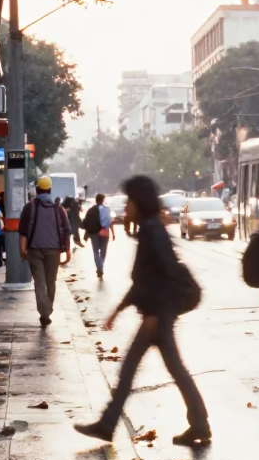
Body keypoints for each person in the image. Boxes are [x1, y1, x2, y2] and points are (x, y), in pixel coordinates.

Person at [75, 175, 210, 445]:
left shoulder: (152, 231)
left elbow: (167, 274)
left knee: (137, 371)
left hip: (156, 317)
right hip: (156, 315)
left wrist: (156, 315)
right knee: (169, 370)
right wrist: (119, 309)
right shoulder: (149, 229)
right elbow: (143, 279)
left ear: (139, 202)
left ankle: (108, 424)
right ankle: (198, 425)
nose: (126, 208)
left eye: (129, 201)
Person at [19, 175, 71, 326]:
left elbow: (23, 231)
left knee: (39, 282)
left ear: (37, 189)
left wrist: (22, 249)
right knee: (51, 281)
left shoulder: (30, 207)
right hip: (54, 251)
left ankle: (44, 311)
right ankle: (47, 311)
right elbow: (66, 231)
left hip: (34, 250)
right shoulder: (58, 208)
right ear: (50, 189)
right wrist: (67, 252)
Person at [82, 193, 116, 279]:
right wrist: (113, 233)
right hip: (104, 232)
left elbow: (87, 223)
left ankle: (99, 267)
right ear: (103, 200)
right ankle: (100, 266)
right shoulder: (107, 209)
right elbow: (110, 222)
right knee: (103, 251)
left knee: (96, 251)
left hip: (93, 233)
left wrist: (86, 234)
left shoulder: (91, 210)